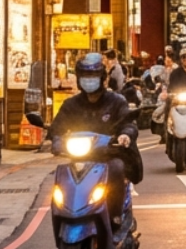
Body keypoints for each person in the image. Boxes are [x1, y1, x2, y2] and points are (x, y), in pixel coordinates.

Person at [51, 51, 141, 226]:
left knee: (117, 167)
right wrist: (56, 140)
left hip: (108, 156)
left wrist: (125, 136)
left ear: (103, 79)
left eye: (93, 76)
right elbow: (58, 127)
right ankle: (65, 214)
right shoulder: (71, 105)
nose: (89, 80)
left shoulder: (116, 101)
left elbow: (128, 123)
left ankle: (115, 216)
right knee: (63, 175)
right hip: (80, 157)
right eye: (85, 76)